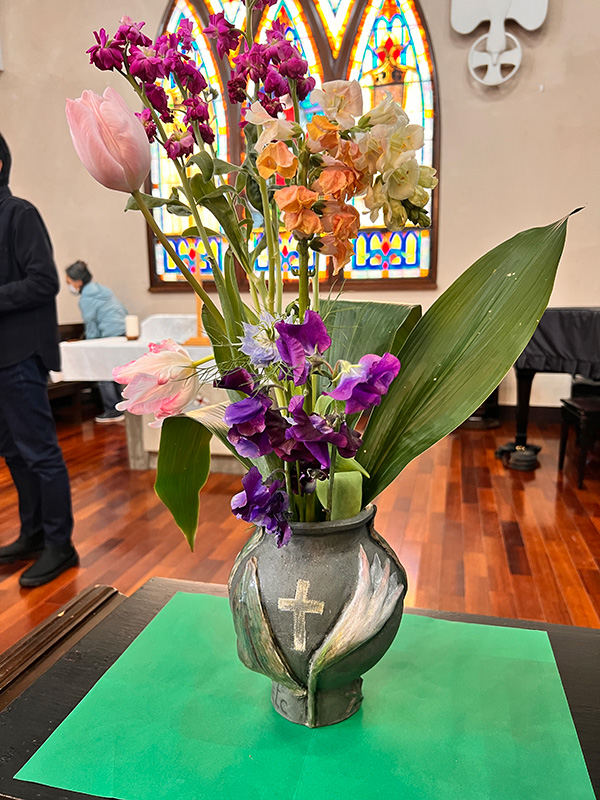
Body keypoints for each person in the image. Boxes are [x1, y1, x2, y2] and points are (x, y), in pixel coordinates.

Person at [0, 132, 79, 587]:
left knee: (40, 453)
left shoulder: (18, 214)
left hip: (20, 356)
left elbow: (44, 281)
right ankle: (32, 535)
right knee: (13, 453)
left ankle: (59, 545)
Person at [65, 260, 127, 422]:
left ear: (78, 282)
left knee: (103, 372)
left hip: (107, 336)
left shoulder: (86, 298)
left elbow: (91, 323)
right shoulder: (104, 290)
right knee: (116, 371)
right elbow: (122, 310)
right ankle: (121, 406)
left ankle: (112, 410)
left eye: (69, 282)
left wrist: (90, 345)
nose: (69, 286)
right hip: (122, 332)